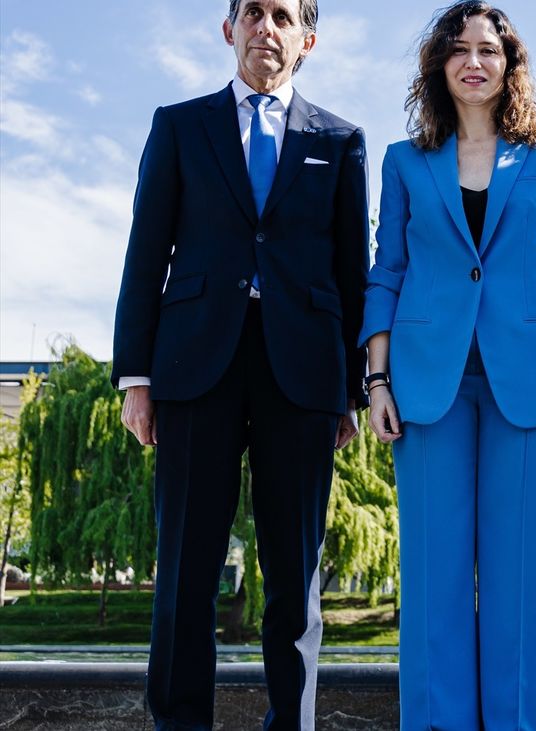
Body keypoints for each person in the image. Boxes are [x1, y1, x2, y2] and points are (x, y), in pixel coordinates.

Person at [112, 1, 368, 727]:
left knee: (294, 574)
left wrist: (348, 388)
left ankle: (291, 722)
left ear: (307, 39)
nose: (267, 27)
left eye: (283, 15)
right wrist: (136, 375)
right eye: (252, 11)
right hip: (194, 366)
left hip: (303, 375)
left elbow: (354, 269)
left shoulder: (342, 140)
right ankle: (180, 721)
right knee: (185, 570)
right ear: (230, 29)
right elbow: (145, 250)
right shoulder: (179, 125)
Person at [358, 2, 536, 728]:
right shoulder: (405, 160)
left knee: (515, 583)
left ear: (509, 64)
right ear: (439, 65)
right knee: (431, 580)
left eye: (489, 50)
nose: (474, 61)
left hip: (528, 383)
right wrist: (376, 380)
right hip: (427, 384)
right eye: (459, 49)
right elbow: (387, 269)